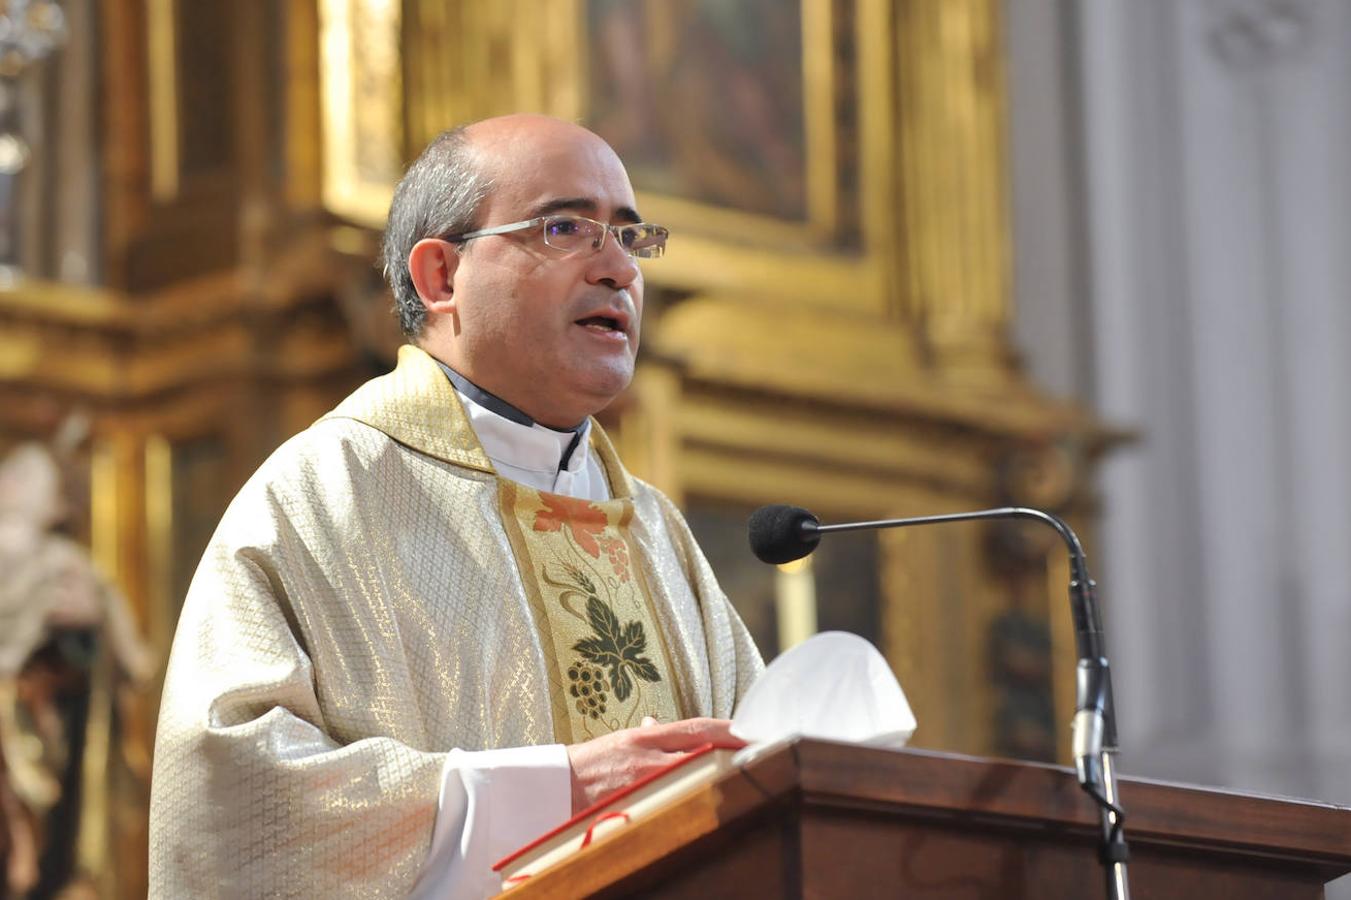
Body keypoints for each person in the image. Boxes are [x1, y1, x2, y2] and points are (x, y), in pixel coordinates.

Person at [148, 114, 764, 899]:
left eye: (629, 236)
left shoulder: (652, 529)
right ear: (440, 277)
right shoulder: (324, 493)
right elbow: (234, 807)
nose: (618, 270)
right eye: (566, 227)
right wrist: (553, 792)